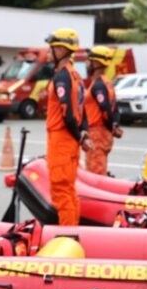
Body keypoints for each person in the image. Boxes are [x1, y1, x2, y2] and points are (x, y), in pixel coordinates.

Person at [45, 28, 91, 225]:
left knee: (61, 192)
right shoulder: (75, 76)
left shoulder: (63, 77)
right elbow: (83, 110)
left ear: (62, 50)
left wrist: (80, 135)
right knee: (69, 191)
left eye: (52, 48)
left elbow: (69, 114)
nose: (49, 52)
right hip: (69, 141)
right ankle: (73, 231)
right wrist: (83, 133)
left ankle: (67, 235)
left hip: (62, 140)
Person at [83, 45, 123, 176]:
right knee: (98, 168)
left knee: (95, 173)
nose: (86, 64)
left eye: (88, 61)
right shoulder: (107, 82)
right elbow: (115, 107)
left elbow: (106, 109)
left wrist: (111, 127)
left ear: (96, 63)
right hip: (101, 133)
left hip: (97, 134)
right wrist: (114, 126)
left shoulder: (98, 85)